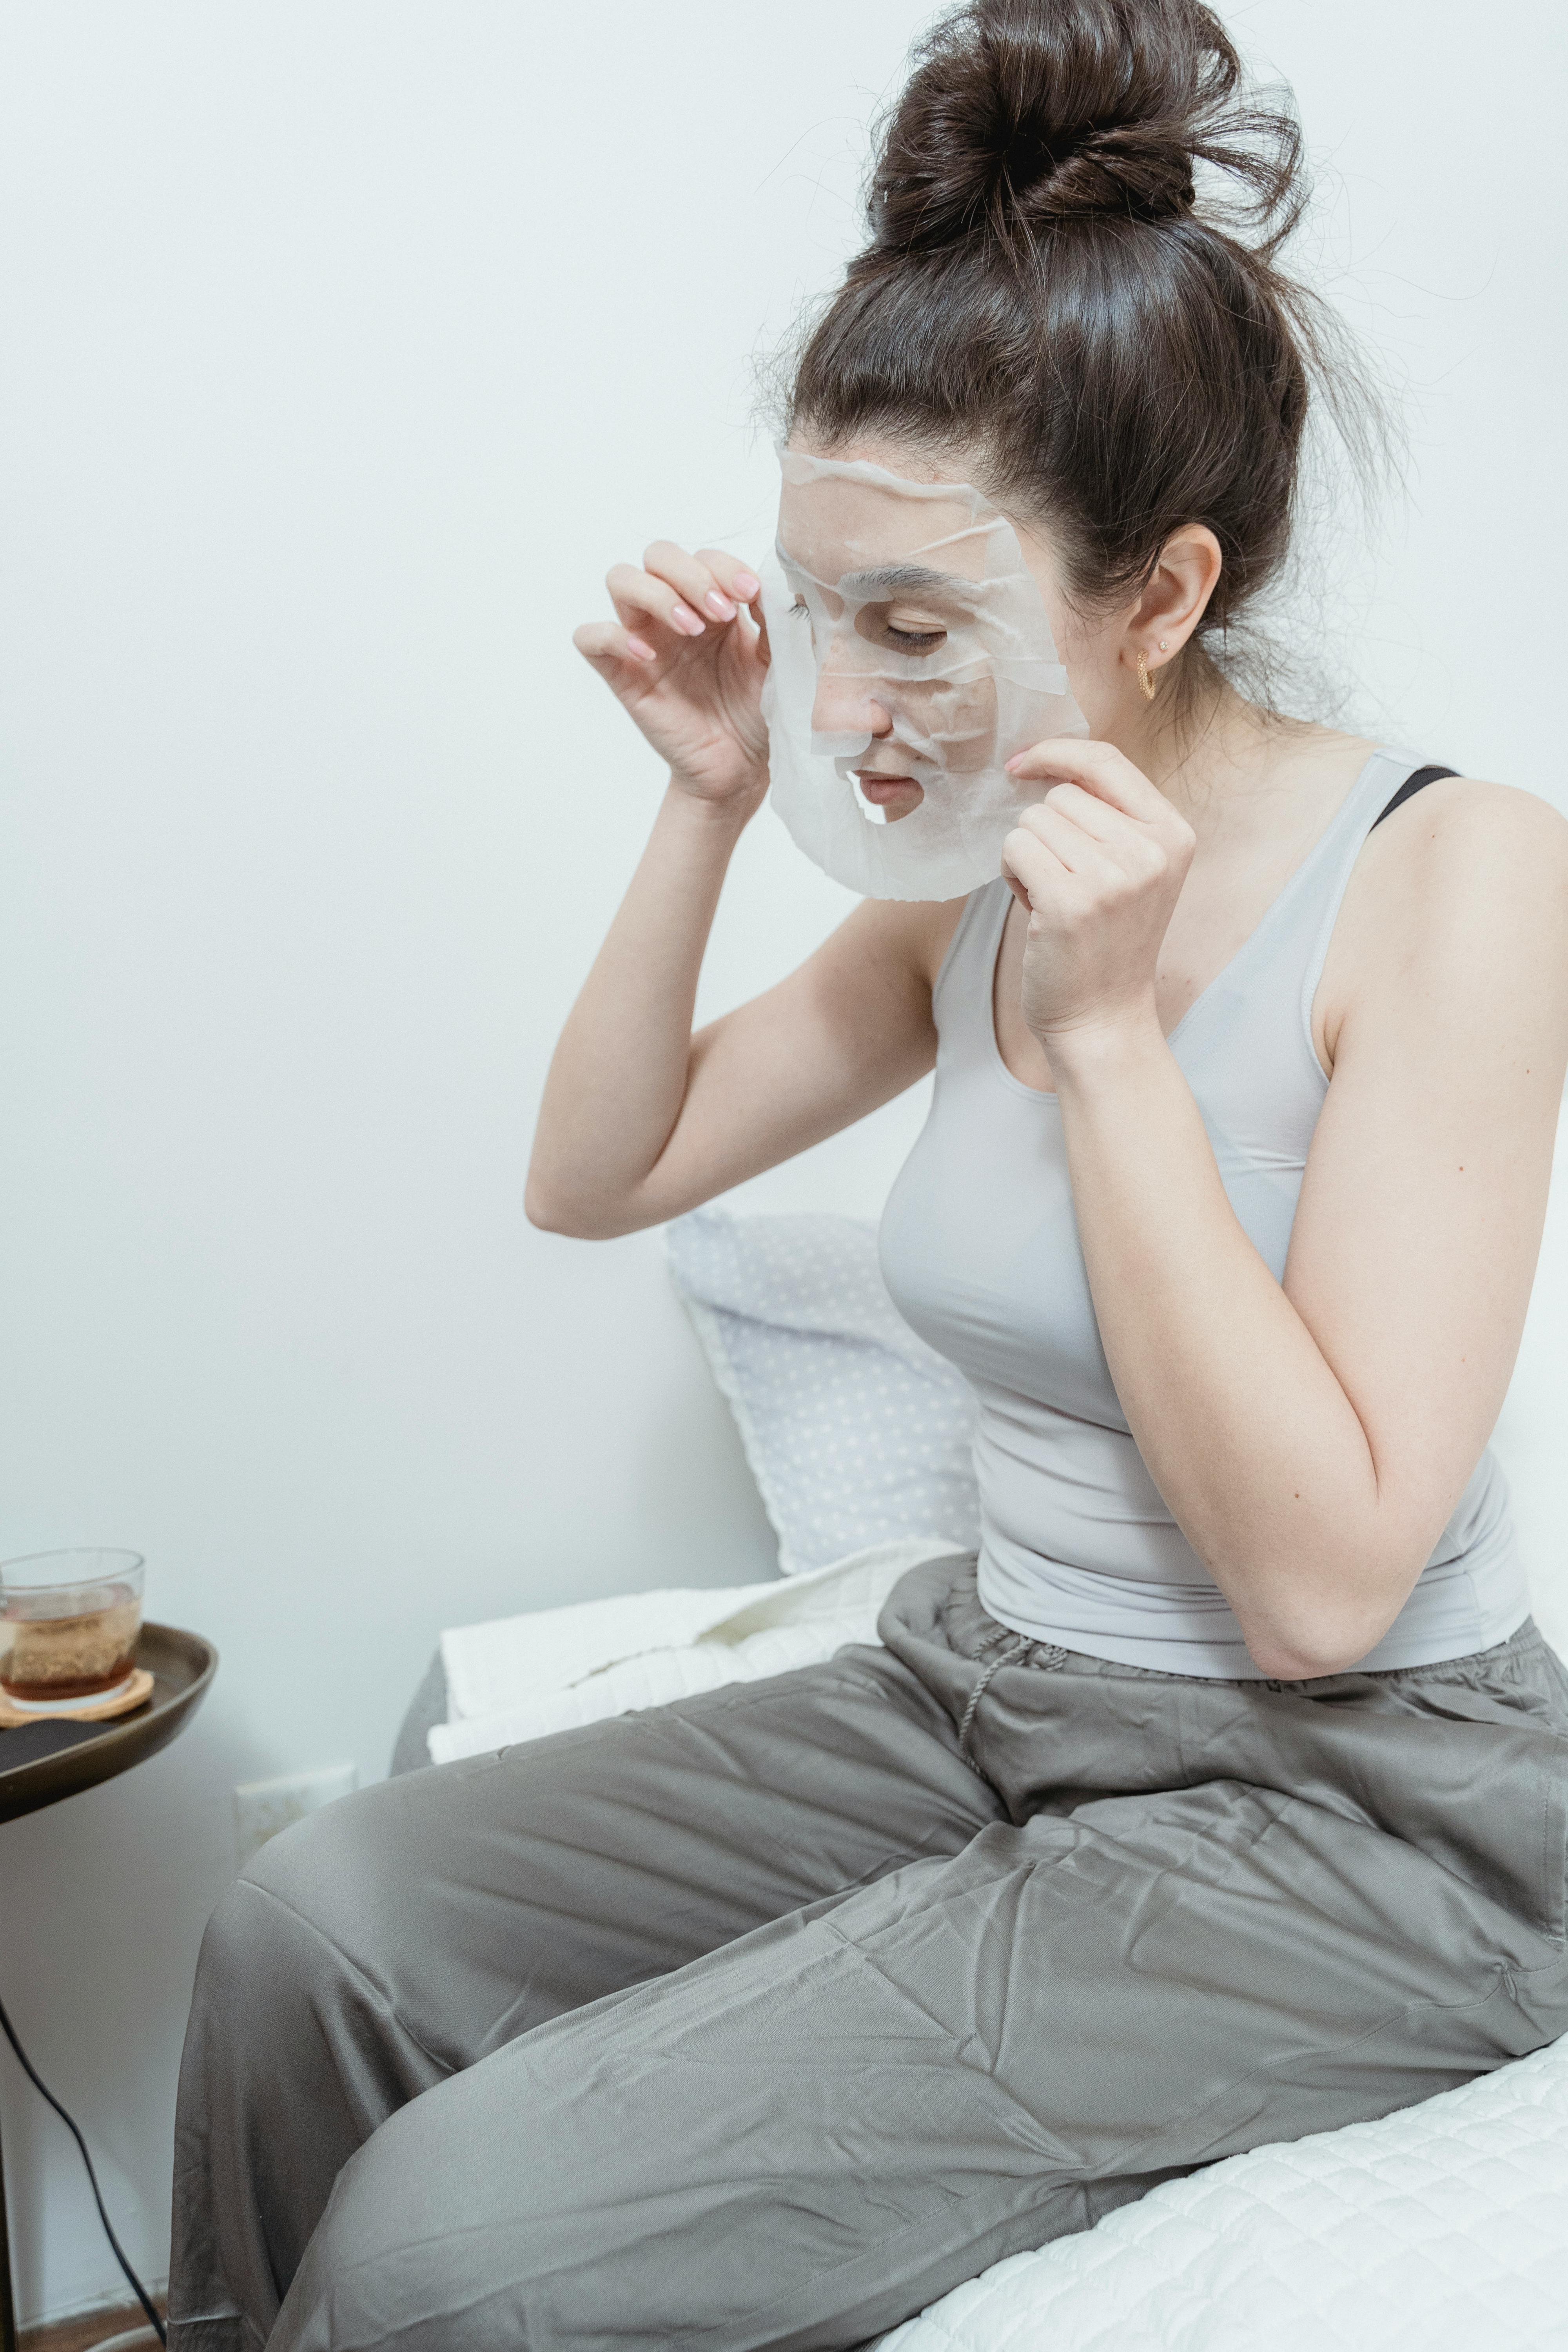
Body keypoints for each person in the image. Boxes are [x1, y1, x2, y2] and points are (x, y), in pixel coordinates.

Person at [169, 4, 1568, 2348]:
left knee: (448, 2252)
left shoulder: (1459, 879)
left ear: (1163, 592)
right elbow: (601, 1173)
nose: (851, 703)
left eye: (913, 629)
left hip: (1357, 1813)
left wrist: (1112, 1049)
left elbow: (1327, 1586)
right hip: (992, 1679)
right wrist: (708, 798)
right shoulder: (974, 875)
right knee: (303, 1941)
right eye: (822, 613)